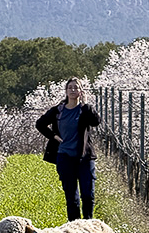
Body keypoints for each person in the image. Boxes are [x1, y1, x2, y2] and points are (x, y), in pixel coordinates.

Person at [36, 77, 101, 221]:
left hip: (85, 158)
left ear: (81, 91)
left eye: (76, 87)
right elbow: (40, 124)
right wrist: (54, 136)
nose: (73, 90)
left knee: (88, 195)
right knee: (72, 197)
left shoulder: (84, 110)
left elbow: (96, 121)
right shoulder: (58, 111)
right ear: (66, 91)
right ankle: (74, 226)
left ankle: (88, 224)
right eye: (70, 87)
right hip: (65, 157)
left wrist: (87, 104)